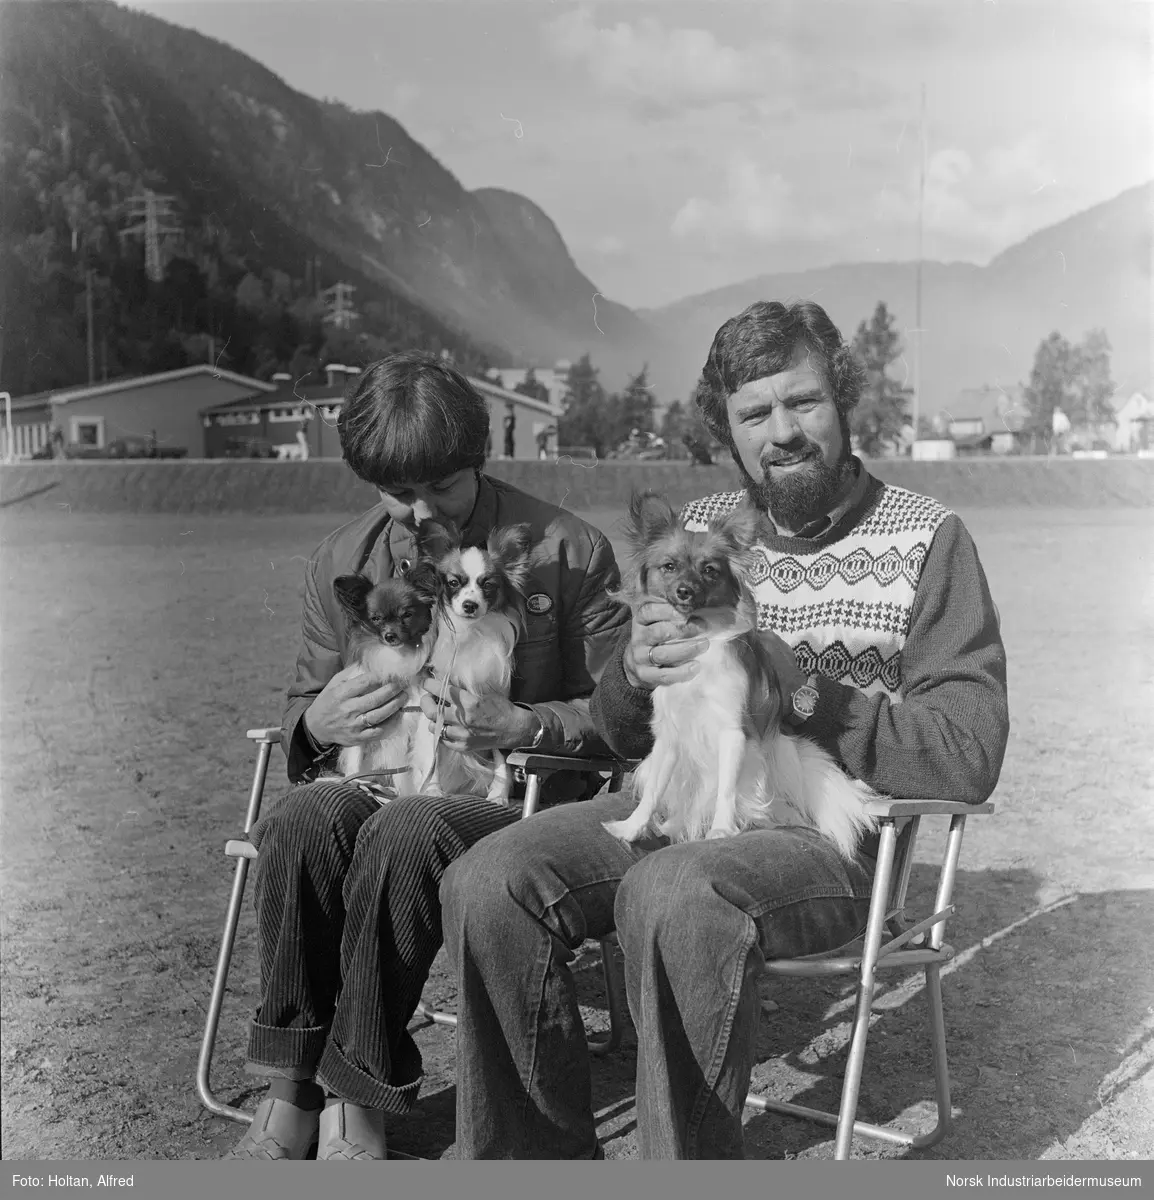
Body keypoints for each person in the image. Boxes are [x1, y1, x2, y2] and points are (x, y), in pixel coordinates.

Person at [441, 299, 1010, 1159]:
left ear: (845, 400)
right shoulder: (690, 538)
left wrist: (808, 694)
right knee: (490, 878)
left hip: (825, 835)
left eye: (803, 401)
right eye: (755, 413)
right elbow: (616, 729)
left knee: (673, 889)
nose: (782, 431)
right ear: (728, 431)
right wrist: (634, 676)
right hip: (677, 794)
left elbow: (968, 753)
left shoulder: (930, 540)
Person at [226, 350, 628, 1161]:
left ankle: (358, 1103)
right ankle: (289, 1098)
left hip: (510, 799)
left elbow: (628, 717)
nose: (415, 510)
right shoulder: (342, 558)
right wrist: (318, 724)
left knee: (405, 831)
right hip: (379, 778)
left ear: (478, 458)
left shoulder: (568, 549)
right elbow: (301, 711)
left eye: (439, 487)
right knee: (304, 816)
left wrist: (524, 725)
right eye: (394, 492)